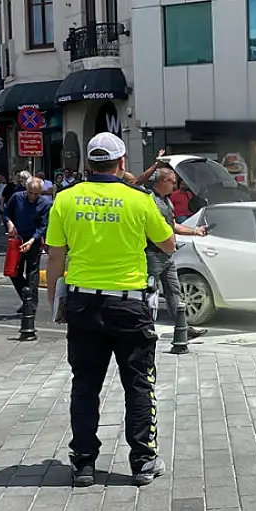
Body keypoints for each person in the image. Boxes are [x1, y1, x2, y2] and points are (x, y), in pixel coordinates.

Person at [45, 132, 176, 488]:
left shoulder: (66, 199)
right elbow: (168, 243)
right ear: (121, 165)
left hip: (83, 303)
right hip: (129, 303)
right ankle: (143, 461)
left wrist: (54, 299)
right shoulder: (139, 199)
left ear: (89, 163)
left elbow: (56, 255)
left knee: (85, 385)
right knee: (138, 383)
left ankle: (84, 463)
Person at [145, 166, 209, 337]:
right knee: (149, 293)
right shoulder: (150, 200)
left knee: (174, 291)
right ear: (163, 181)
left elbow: (172, 225)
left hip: (166, 255)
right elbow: (151, 230)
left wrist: (195, 231)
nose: (175, 186)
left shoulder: (167, 200)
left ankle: (182, 328)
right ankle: (146, 328)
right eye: (173, 182)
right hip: (152, 254)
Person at [5, 178, 51, 314]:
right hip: (17, 239)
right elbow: (7, 212)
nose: (33, 196)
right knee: (13, 272)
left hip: (33, 240)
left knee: (32, 272)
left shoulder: (45, 204)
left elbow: (43, 226)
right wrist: (9, 222)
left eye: (36, 194)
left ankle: (31, 304)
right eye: (30, 192)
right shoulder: (17, 198)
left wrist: (32, 241)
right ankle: (27, 298)